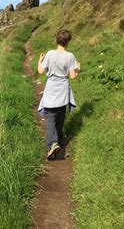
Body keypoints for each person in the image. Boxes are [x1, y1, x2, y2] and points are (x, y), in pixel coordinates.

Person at [37, 29, 80, 160]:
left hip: (51, 89)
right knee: (60, 117)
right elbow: (72, 76)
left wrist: (40, 60)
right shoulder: (70, 56)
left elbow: (40, 70)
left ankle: (52, 144)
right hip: (63, 90)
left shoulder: (49, 54)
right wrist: (78, 69)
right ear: (67, 43)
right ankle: (59, 140)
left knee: (50, 117)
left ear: (57, 40)